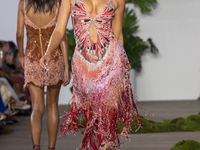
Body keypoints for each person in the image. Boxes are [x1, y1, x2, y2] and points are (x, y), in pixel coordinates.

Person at [40, 0, 141, 149]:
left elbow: (118, 33)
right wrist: (48, 52)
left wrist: (122, 63)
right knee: (92, 122)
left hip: (111, 61)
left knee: (106, 120)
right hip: (84, 67)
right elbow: (60, 29)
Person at [16, 0, 70, 150]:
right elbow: (63, 36)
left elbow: (20, 35)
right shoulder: (57, 4)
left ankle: (36, 146)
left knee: (36, 108)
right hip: (54, 59)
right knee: (52, 106)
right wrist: (66, 66)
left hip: (32, 60)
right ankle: (51, 148)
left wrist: (22, 57)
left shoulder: (24, 4)